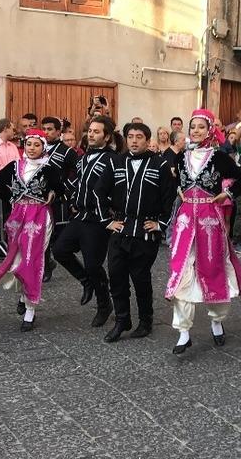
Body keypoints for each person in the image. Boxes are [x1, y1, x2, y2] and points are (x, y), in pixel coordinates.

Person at [165, 109, 241, 355]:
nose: (196, 131)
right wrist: (178, 189)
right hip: (185, 222)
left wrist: (228, 194)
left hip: (209, 222)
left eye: (201, 127)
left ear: (210, 130)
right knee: (181, 270)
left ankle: (216, 321)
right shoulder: (180, 156)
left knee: (213, 270)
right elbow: (174, 180)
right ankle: (183, 332)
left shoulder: (219, 157)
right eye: (193, 127)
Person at [94, 123, 176, 342]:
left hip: (145, 231)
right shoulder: (116, 162)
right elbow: (99, 191)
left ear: (148, 140)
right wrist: (107, 221)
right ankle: (122, 319)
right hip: (120, 228)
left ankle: (145, 321)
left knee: (140, 278)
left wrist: (161, 224)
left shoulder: (160, 164)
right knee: (116, 275)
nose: (134, 140)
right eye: (130, 136)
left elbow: (170, 197)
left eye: (139, 137)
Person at [0, 129, 62, 331]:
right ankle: (25, 296)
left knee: (31, 260)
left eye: (36, 145)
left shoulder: (49, 168)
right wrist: (11, 197)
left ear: (43, 147)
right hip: (17, 216)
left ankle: (30, 309)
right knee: (16, 261)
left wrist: (53, 193)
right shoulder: (15, 166)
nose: (32, 148)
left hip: (39, 216)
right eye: (29, 144)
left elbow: (61, 188)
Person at [52, 116, 118, 328]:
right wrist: (70, 198)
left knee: (93, 264)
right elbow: (78, 182)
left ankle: (104, 304)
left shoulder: (112, 159)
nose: (91, 134)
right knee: (60, 250)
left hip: (98, 219)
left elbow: (117, 189)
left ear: (106, 137)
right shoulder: (84, 157)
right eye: (90, 130)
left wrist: (111, 211)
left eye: (96, 131)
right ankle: (86, 281)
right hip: (80, 215)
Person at [40, 116, 80, 284]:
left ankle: (47, 266)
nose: (46, 132)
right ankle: (44, 264)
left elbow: (79, 172)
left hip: (55, 199)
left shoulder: (67, 151)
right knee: (38, 233)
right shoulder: (37, 146)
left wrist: (64, 188)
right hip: (37, 197)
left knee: (49, 234)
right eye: (44, 129)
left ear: (58, 132)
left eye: (50, 129)